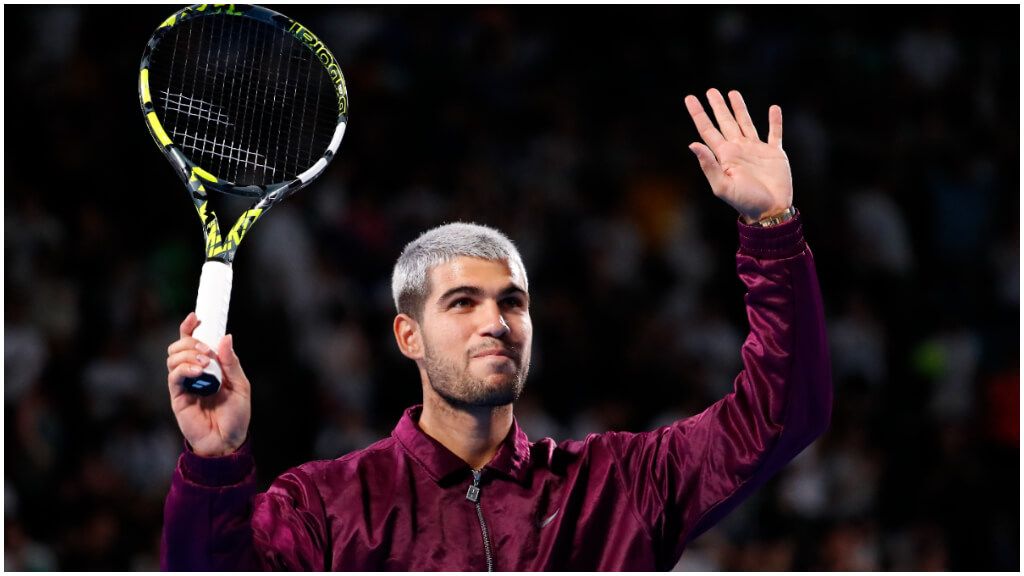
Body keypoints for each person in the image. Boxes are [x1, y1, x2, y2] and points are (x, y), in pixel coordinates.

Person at [161, 88, 832, 570]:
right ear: (408, 336)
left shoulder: (619, 487)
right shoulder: (323, 509)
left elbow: (781, 415)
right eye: (462, 303)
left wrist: (771, 229)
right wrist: (213, 464)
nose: (497, 323)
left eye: (513, 302)